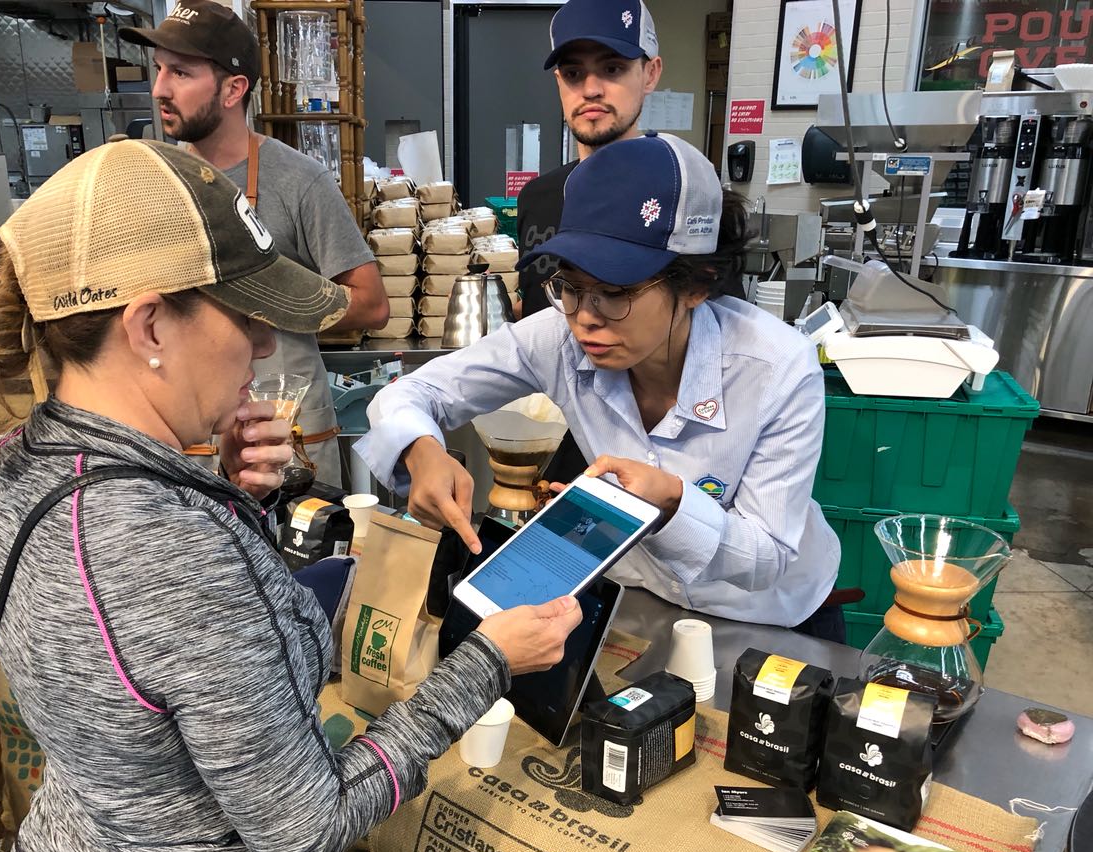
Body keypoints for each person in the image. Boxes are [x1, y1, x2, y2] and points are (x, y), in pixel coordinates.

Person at [0, 140, 580, 852]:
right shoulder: (168, 547)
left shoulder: (18, 465)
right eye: (246, 316)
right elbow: (306, 828)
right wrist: (487, 663)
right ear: (148, 324)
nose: (265, 345)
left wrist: (220, 490)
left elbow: (138, 665)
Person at [356, 134, 844, 639]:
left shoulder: (777, 367)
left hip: (772, 618)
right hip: (643, 608)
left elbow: (766, 558)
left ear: (697, 284)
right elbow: (411, 393)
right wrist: (421, 448)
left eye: (615, 294)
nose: (585, 320)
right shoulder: (558, 338)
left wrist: (674, 503)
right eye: (569, 285)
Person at [121, 0, 388, 486]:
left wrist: (266, 301)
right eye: (159, 70)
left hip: (288, 431)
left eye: (180, 72)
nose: (160, 88)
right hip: (188, 437)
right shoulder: (152, 182)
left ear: (234, 89)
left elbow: (371, 306)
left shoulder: (300, 181)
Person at [514, 0, 661, 320]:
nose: (590, 89)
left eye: (612, 68)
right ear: (558, 82)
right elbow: (538, 308)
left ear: (651, 74)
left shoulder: (684, 198)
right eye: (573, 72)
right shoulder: (536, 197)